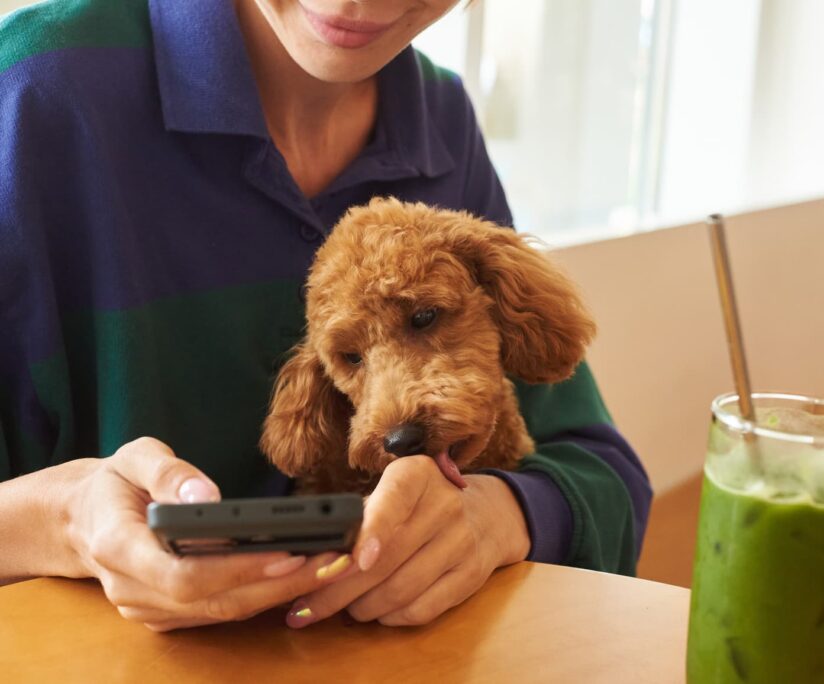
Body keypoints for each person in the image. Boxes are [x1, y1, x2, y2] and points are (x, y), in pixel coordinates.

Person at [0, 0, 651, 631]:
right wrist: (65, 521)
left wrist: (498, 515)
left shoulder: (441, 119)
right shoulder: (34, 90)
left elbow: (605, 475)